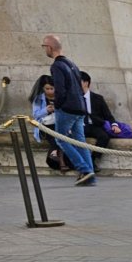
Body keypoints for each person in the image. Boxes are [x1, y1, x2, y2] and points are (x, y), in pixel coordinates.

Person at [41, 35, 96, 186]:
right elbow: (78, 87)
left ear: (50, 47)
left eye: (44, 46)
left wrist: (57, 105)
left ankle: (84, 169)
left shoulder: (57, 66)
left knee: (61, 139)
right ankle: (89, 174)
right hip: (79, 107)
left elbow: (60, 89)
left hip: (67, 108)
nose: (44, 49)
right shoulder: (71, 63)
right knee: (80, 141)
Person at [77, 71, 116, 169]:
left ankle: (93, 159)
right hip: (80, 125)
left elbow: (108, 115)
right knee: (74, 137)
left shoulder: (98, 98)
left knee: (104, 137)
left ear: (86, 83)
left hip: (95, 125)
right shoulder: (74, 99)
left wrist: (114, 125)